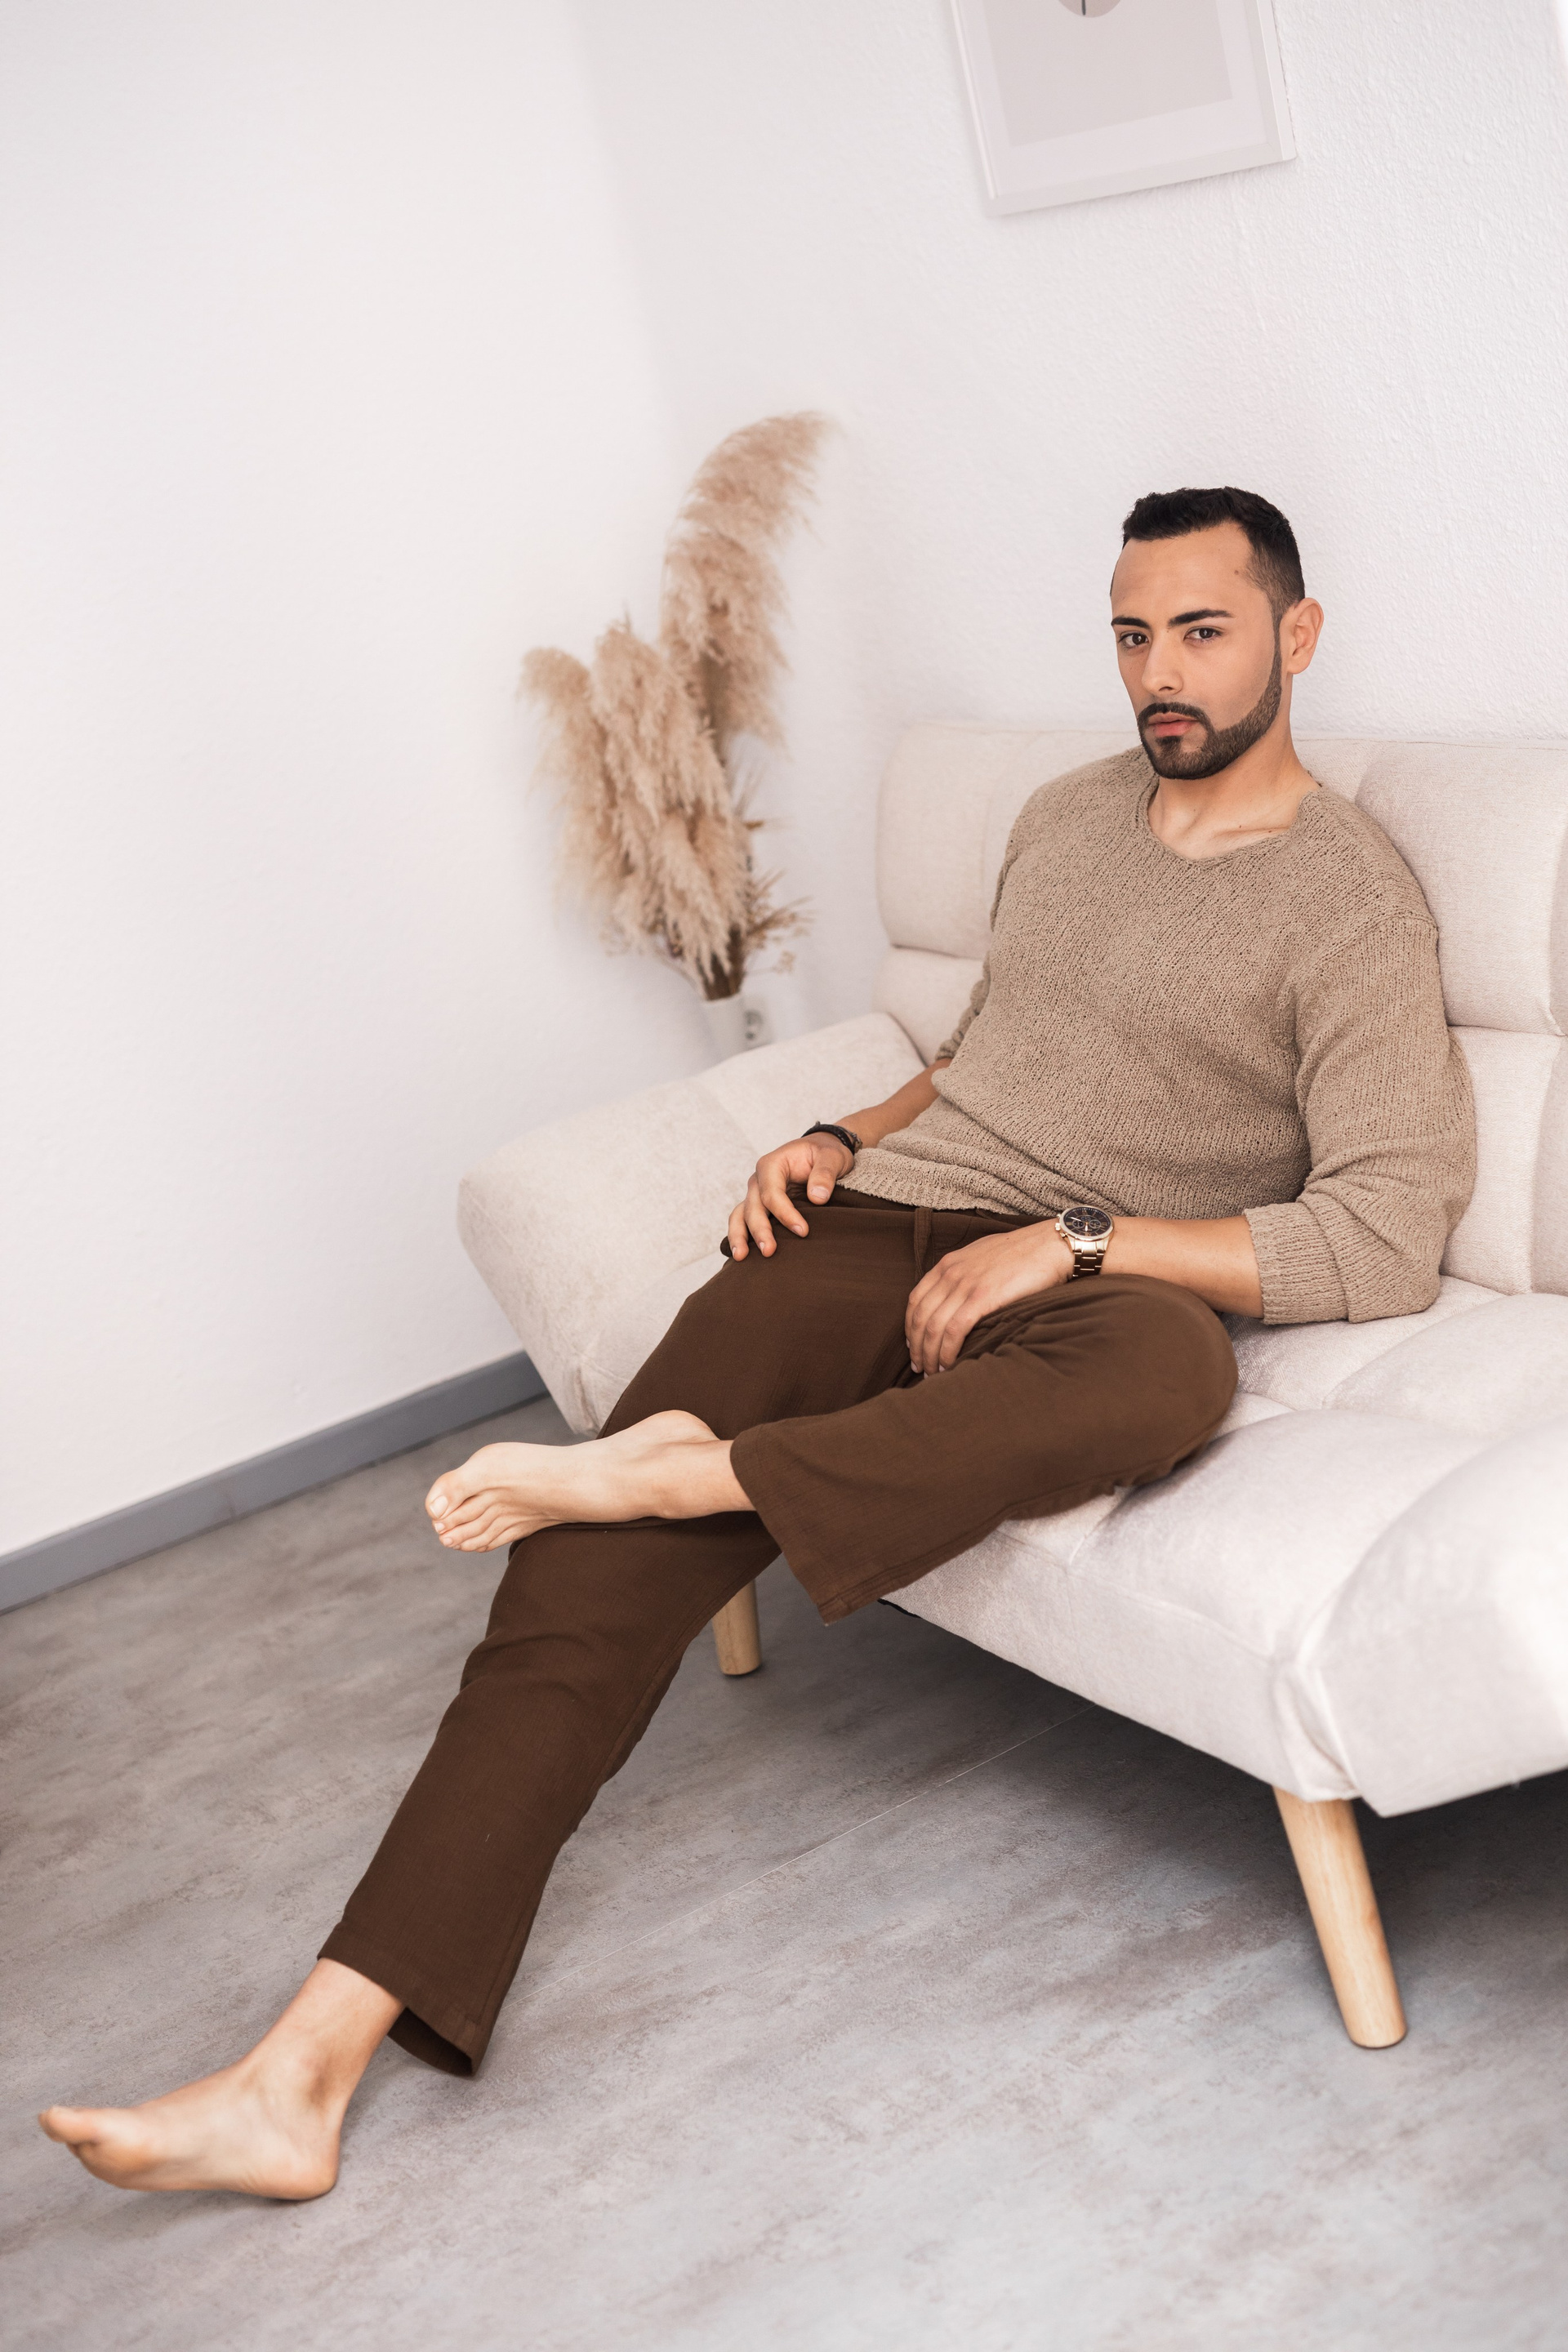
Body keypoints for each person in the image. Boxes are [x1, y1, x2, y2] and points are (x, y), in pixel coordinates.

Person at [39, 487, 1474, 2198]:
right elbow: (994, 1057)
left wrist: (1073, 1241)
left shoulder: (1346, 900)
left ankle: (694, 1475)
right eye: (1131, 635)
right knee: (575, 1586)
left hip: (1097, 1276)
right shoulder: (1069, 816)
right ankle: (300, 2076)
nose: (1158, 673)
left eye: (1201, 632)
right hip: (888, 1219)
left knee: (1169, 1377)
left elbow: (1383, 1236)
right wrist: (845, 1138)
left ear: (1296, 637)